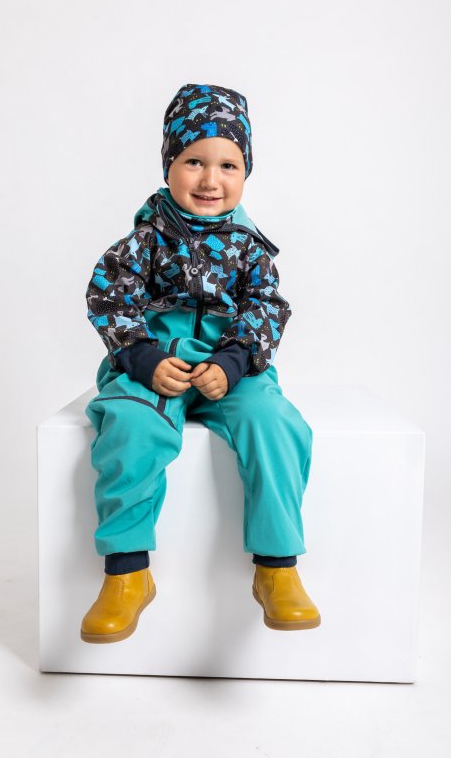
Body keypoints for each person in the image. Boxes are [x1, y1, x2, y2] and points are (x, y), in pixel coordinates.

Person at [80, 83, 320, 644]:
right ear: (169, 165)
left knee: (275, 422)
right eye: (194, 161)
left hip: (229, 368)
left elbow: (267, 308)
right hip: (154, 365)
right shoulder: (144, 240)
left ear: (245, 172)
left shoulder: (250, 248)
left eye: (228, 165)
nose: (211, 180)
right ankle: (127, 572)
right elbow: (109, 296)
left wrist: (234, 363)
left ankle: (277, 566)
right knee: (131, 424)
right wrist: (141, 357)